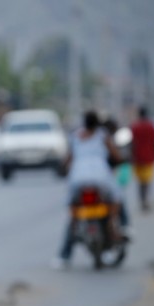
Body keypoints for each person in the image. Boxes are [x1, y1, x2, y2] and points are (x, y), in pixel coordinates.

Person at [53, 110, 123, 269]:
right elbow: (116, 156)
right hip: (101, 177)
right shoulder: (102, 136)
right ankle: (113, 232)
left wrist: (62, 169)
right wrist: (120, 160)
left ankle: (65, 255)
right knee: (115, 201)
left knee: (74, 214)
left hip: (77, 178)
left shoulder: (76, 136)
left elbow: (68, 159)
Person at [130, 106, 154, 212]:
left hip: (137, 157)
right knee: (147, 181)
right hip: (149, 156)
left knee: (140, 181)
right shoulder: (152, 126)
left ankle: (142, 200)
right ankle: (145, 200)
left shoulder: (134, 127)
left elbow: (131, 143)